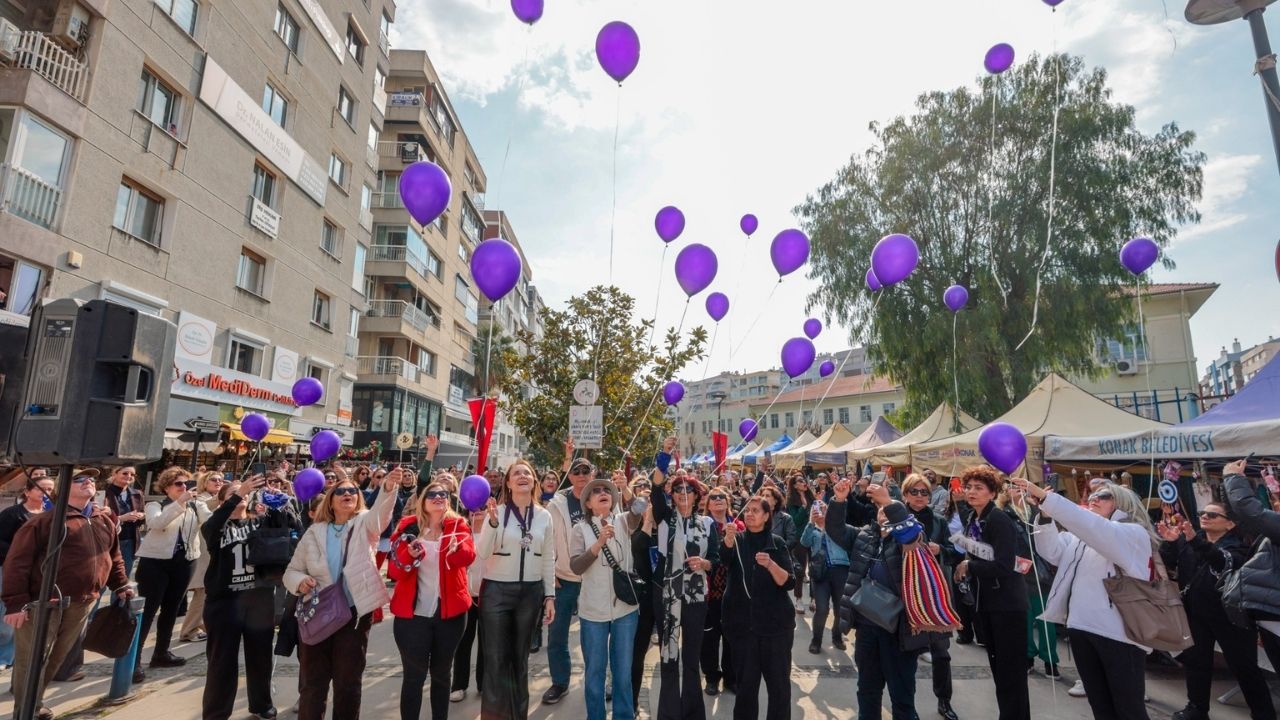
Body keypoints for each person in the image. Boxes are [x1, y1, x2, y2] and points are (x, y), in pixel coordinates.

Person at [1014, 477, 1158, 720]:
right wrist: (1046, 516)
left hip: (1119, 635)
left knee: (1128, 708)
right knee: (1100, 705)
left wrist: (1048, 499)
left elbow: (1096, 529)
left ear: (1122, 503)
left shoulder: (1133, 533)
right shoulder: (1082, 536)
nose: (1094, 499)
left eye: (1103, 496)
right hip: (1081, 628)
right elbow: (1052, 551)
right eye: (1091, 496)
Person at [3, 468, 133, 719]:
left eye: (91, 479)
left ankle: (35, 702)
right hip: (43, 602)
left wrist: (121, 584)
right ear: (62, 488)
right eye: (79, 479)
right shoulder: (45, 521)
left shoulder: (103, 519)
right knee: (32, 660)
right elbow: (17, 562)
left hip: (83, 601)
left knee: (57, 658)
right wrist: (15, 603)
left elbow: (113, 556)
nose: (88, 482)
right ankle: (25, 711)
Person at [283, 467, 401, 720]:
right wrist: (301, 581)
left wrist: (388, 489)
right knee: (312, 684)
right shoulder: (314, 532)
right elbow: (291, 571)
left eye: (352, 491)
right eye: (341, 491)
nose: (347, 493)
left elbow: (380, 517)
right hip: (317, 614)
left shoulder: (364, 524)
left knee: (348, 683)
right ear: (330, 500)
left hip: (353, 614)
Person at [1159, 502, 1273, 720]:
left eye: (1212, 515)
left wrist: (1195, 541)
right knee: (1196, 661)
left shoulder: (1238, 547)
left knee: (1244, 667)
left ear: (1230, 523)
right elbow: (1168, 562)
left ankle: (1263, 714)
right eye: (1202, 513)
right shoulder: (1189, 541)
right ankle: (1197, 709)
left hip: (1230, 616)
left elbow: (1222, 562)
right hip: (1196, 612)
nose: (1205, 516)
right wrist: (1170, 542)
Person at [831, 480, 929, 720]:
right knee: (867, 690)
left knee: (902, 696)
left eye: (890, 508)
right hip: (867, 626)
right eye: (881, 509)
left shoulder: (912, 535)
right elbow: (835, 530)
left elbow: (910, 537)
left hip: (899, 630)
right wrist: (839, 500)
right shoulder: (864, 534)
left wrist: (888, 501)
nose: (884, 512)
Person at [387, 481, 477, 720]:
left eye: (443, 494)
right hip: (412, 617)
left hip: (450, 615)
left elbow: (468, 558)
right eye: (432, 494)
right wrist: (409, 555)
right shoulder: (407, 527)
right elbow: (394, 571)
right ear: (422, 501)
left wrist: (457, 550)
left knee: (441, 674)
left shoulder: (459, 526)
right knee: (413, 677)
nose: (438, 497)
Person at [476, 459, 556, 720]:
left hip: (530, 593)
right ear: (508, 483)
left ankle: (518, 715)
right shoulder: (496, 512)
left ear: (534, 481)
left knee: (520, 660)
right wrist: (492, 524)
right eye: (516, 473)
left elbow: (548, 557)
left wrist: (549, 595)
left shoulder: (544, 516)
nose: (522, 476)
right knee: (496, 660)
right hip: (497, 592)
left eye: (527, 473)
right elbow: (482, 553)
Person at [953, 466, 1029, 720]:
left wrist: (969, 566)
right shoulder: (974, 519)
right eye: (969, 487)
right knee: (1000, 671)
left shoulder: (998, 519)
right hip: (988, 603)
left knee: (1010, 674)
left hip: (1007, 605)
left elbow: (1004, 565)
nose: (971, 492)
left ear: (992, 493)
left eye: (979, 488)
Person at [202, 475, 280, 720]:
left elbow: (284, 530)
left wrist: (277, 501)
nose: (242, 496)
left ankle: (261, 704)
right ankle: (216, 713)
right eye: (234, 494)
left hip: (258, 600)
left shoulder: (259, 522)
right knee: (222, 660)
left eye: (245, 493)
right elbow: (211, 526)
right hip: (224, 602)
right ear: (222, 501)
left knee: (260, 657)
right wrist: (237, 494)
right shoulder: (216, 527)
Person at [652, 436, 719, 720]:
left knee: (691, 658)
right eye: (677, 490)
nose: (682, 493)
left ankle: (692, 713)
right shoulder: (665, 517)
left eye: (687, 490)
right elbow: (656, 486)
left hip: (695, 596)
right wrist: (665, 455)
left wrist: (704, 563)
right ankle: (669, 714)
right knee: (669, 655)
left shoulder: (707, 523)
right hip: (667, 594)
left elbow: (716, 559)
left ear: (696, 495)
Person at [569, 473, 645, 720]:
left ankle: (623, 715)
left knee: (622, 673)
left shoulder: (623, 521)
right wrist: (598, 543)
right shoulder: (579, 529)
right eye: (596, 491)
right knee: (595, 673)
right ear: (587, 503)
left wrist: (626, 488)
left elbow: (640, 508)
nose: (602, 493)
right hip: (592, 612)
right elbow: (576, 567)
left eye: (606, 490)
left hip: (625, 610)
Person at [133, 466, 211, 682]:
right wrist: (179, 503)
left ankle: (161, 652)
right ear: (167, 487)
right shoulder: (155, 505)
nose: (183, 487)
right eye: (178, 484)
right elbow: (156, 523)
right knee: (148, 612)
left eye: (187, 484)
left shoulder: (195, 506)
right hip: (155, 563)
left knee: (171, 609)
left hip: (185, 562)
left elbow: (211, 520)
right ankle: (134, 660)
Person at [721, 495, 796, 720]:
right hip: (743, 628)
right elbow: (722, 561)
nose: (750, 514)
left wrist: (771, 564)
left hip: (776, 628)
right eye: (747, 510)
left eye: (756, 510)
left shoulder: (777, 543)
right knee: (745, 688)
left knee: (779, 687)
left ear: (766, 516)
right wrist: (727, 540)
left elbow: (789, 582)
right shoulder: (737, 540)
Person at [900, 473, 961, 720]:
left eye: (924, 492)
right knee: (906, 654)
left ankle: (944, 700)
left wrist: (940, 549)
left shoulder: (938, 521)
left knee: (941, 652)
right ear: (905, 494)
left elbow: (953, 551)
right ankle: (906, 705)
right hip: (907, 591)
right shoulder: (897, 518)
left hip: (935, 594)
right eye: (914, 491)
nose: (919, 496)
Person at [997, 484, 1060, 680]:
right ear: (1005, 493)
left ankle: (1050, 660)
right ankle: (1028, 656)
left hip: (1040, 573)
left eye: (1021, 487)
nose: (1019, 489)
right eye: (1013, 487)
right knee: (1024, 620)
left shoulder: (1036, 510)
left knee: (1045, 620)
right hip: (1017, 573)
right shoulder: (1003, 514)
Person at [543, 438, 588, 705]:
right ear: (569, 475)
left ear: (593, 474)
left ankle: (598, 681)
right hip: (563, 579)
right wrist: (550, 574)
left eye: (585, 471)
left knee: (595, 637)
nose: (581, 475)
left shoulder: (603, 497)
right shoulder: (556, 503)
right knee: (557, 635)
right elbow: (546, 541)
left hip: (594, 580)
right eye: (576, 471)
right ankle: (560, 682)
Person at [0, 472, 55, 670]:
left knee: (30, 614)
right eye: (41, 489)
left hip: (40, 572)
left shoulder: (52, 514)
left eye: (50, 489)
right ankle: (4, 656)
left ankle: (18, 655)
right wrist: (20, 555)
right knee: (8, 613)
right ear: (28, 491)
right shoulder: (13, 514)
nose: (46, 493)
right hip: (12, 570)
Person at [802, 490, 852, 655]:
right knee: (822, 609)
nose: (821, 511)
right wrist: (811, 522)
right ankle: (816, 640)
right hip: (820, 572)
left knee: (839, 608)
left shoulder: (839, 527)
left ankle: (837, 637)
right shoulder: (813, 530)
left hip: (840, 569)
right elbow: (804, 542)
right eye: (817, 509)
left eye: (823, 508)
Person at [180, 471, 225, 642]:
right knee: (202, 593)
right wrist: (226, 496)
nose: (218, 482)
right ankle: (189, 630)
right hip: (202, 552)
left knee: (209, 592)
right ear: (204, 482)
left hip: (213, 552)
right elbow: (207, 508)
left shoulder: (214, 499)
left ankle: (203, 625)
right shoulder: (200, 499)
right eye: (214, 479)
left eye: (221, 480)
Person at [701, 486, 737, 695]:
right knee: (710, 637)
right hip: (709, 590)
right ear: (708, 504)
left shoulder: (738, 524)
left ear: (728, 501)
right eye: (713, 497)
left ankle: (731, 677)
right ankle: (711, 677)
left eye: (721, 496)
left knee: (731, 636)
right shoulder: (702, 525)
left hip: (732, 590)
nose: (717, 499)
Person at [629, 477, 659, 708]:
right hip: (643, 600)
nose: (649, 505)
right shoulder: (633, 530)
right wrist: (647, 519)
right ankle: (632, 700)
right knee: (636, 654)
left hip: (666, 599)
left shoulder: (670, 530)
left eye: (653, 501)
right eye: (645, 502)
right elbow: (638, 546)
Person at [103, 466, 146, 577]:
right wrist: (121, 518)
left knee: (123, 577)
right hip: (108, 541)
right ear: (114, 474)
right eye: (125, 473)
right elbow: (98, 518)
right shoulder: (104, 493)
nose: (129, 476)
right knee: (103, 577)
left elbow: (142, 512)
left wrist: (141, 516)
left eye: (132, 474)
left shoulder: (137, 494)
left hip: (129, 540)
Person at [785, 473, 816, 613]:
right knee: (800, 570)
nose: (804, 482)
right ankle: (798, 599)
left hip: (814, 535)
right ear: (794, 485)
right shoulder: (791, 501)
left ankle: (814, 598)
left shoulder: (811, 498)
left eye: (804, 480)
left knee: (815, 568)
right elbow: (795, 520)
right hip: (800, 538)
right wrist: (803, 507)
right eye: (800, 480)